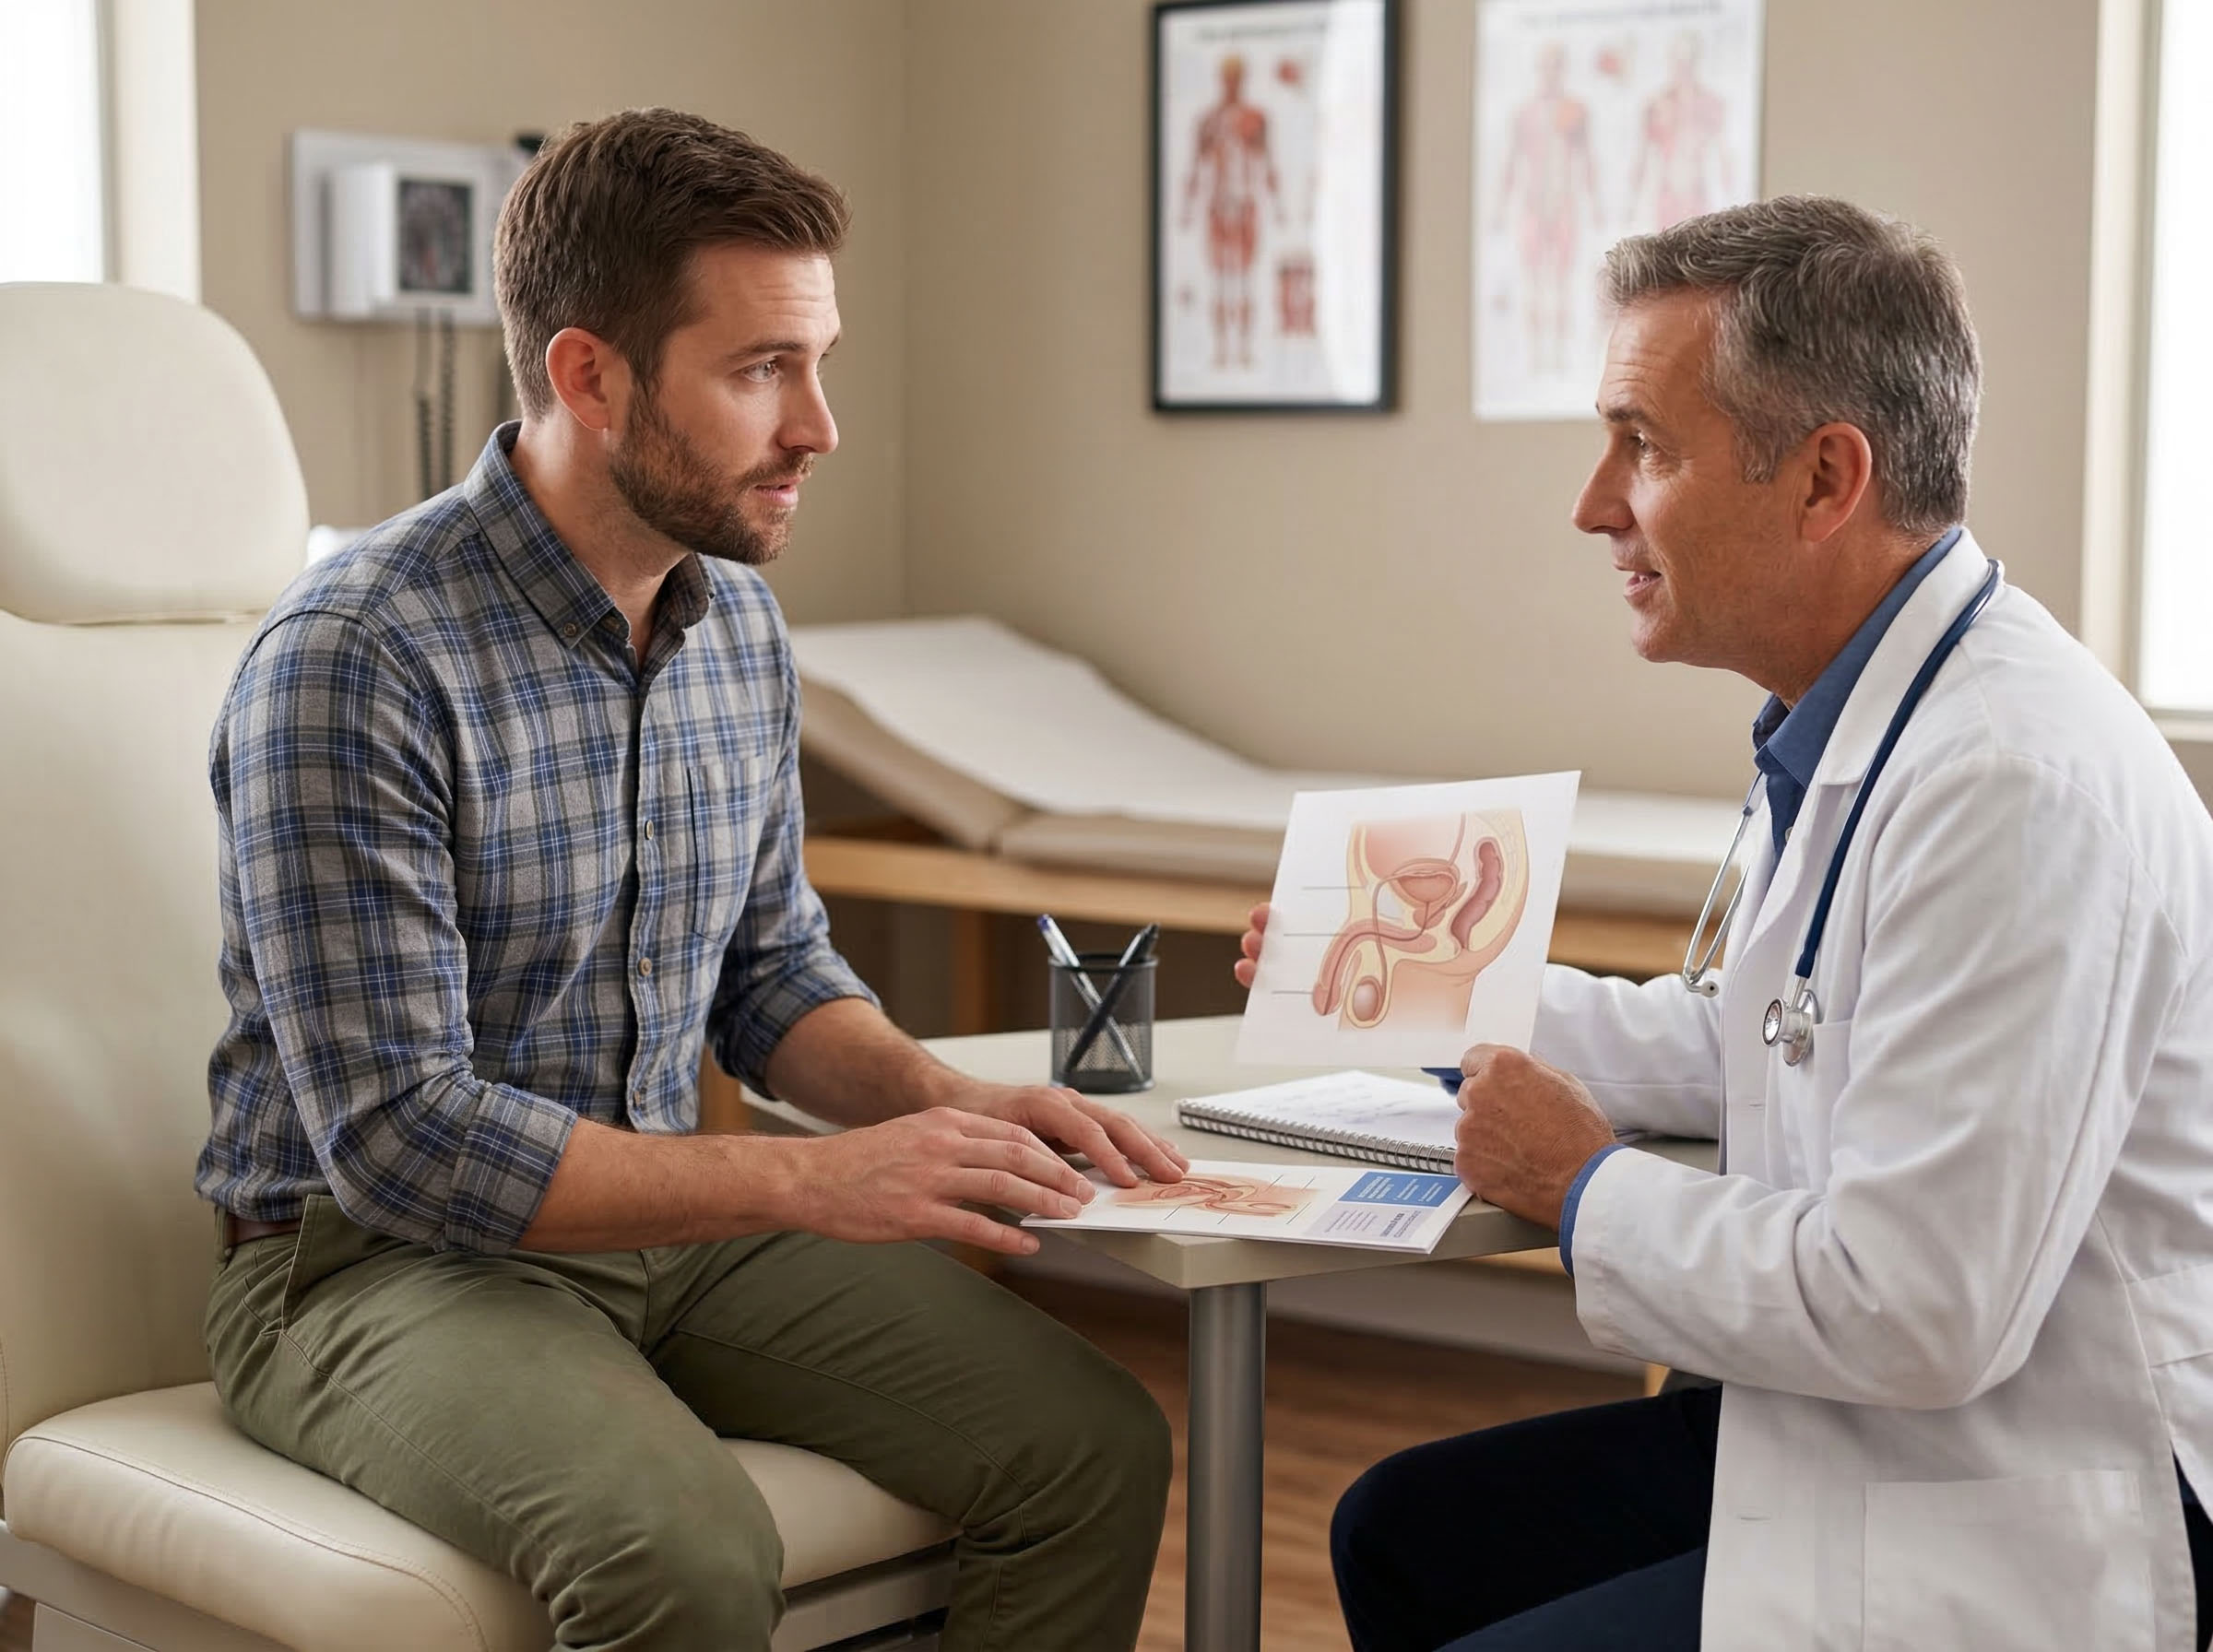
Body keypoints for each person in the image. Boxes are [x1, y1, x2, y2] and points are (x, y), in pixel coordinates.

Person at [198, 108, 1183, 1652]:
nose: (821, 428)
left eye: (820, 361)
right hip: (374, 1271)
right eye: (760, 371)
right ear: (589, 376)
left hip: (664, 1228)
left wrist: (944, 1106)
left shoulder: (738, 630)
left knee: (1089, 1447)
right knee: (685, 1556)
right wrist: (813, 1179)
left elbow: (768, 974)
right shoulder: (355, 658)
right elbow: (402, 1140)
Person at [1239, 196, 2213, 1650]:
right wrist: (1448, 997)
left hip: (2031, 1494)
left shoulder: (2008, 782)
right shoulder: (1867, 716)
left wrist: (1582, 1187)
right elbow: (1773, 1033)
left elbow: (1919, 1311)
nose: (1594, 503)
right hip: (1894, 1431)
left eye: (1647, 444)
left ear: (1826, 479)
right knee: (1404, 1534)